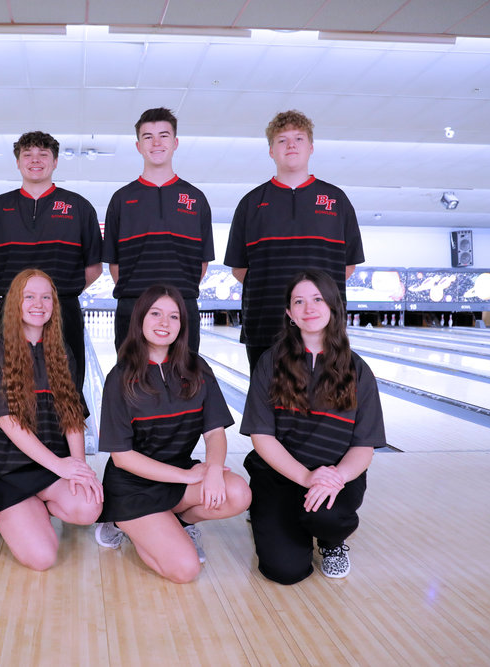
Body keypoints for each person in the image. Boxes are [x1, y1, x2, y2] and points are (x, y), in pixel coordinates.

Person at [94, 285, 250, 583]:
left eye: (173, 316)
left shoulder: (197, 369)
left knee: (238, 493)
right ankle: (123, 523)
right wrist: (188, 477)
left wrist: (214, 470)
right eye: (155, 314)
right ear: (140, 318)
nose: (164, 323)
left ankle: (177, 521)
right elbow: (123, 458)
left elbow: (215, 432)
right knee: (185, 570)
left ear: (182, 324)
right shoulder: (120, 378)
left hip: (178, 477)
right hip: (133, 488)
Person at [240, 270, 385, 584]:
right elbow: (261, 436)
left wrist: (334, 478)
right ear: (289, 313)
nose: (309, 308)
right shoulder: (270, 362)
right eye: (299, 301)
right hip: (279, 476)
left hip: (336, 476)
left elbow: (363, 446)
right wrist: (305, 476)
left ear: (333, 306)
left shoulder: (358, 370)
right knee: (285, 570)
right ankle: (285, 521)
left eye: (318, 299)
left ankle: (332, 541)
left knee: (327, 516)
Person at [0, 268, 103, 571]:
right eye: (29, 296)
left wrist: (78, 468)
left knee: (89, 508)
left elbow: (72, 415)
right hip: (7, 468)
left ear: (54, 305)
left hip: (50, 467)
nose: (39, 303)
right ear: (15, 303)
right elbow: (8, 422)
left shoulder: (61, 352)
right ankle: (14, 511)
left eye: (46, 297)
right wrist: (59, 466)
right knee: (42, 559)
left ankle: (36, 506)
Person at [225, 110, 365, 373]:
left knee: (325, 407)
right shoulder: (250, 203)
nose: (291, 145)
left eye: (299, 139)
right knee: (265, 409)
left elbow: (347, 266)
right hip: (265, 328)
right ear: (271, 151)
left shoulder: (336, 200)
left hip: (325, 332)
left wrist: (309, 302)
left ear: (311, 147)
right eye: (282, 140)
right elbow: (239, 268)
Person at [0, 131, 102, 389]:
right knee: (8, 389)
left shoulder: (79, 207)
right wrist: (22, 298)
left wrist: (53, 296)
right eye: (28, 154)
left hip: (63, 312)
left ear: (55, 162)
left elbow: (94, 268)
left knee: (67, 389)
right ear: (18, 162)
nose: (35, 160)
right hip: (9, 311)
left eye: (43, 154)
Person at [102, 107, 214, 353]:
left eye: (163, 136)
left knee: (186, 385)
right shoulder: (121, 199)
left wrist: (173, 299)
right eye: (148, 137)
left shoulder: (196, 199)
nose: (156, 143)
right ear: (138, 145)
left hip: (183, 306)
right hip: (132, 307)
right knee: (129, 386)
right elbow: (114, 264)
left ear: (175, 143)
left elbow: (202, 263)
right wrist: (142, 300)